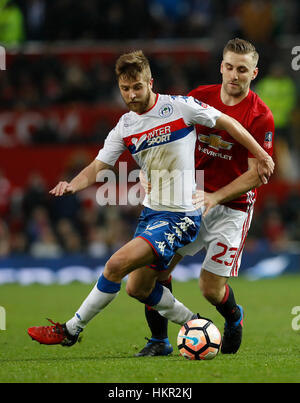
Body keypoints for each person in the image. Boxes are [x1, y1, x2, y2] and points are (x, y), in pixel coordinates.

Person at [27, 49, 274, 348]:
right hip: (153, 212)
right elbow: (98, 166)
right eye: (125, 89)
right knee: (138, 287)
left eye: (137, 87)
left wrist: (260, 153)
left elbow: (227, 123)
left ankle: (70, 330)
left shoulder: (180, 106)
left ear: (150, 83)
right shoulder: (125, 127)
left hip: (183, 214)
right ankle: (194, 326)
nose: (131, 94)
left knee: (116, 266)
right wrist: (73, 184)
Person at [134, 38, 275, 357]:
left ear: (254, 72)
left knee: (210, 288)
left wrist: (215, 196)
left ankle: (233, 317)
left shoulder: (260, 116)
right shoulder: (200, 97)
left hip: (231, 208)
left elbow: (257, 174)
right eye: (229, 67)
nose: (234, 75)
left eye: (242, 69)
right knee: (154, 273)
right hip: (187, 202)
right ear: (221, 67)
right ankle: (159, 341)